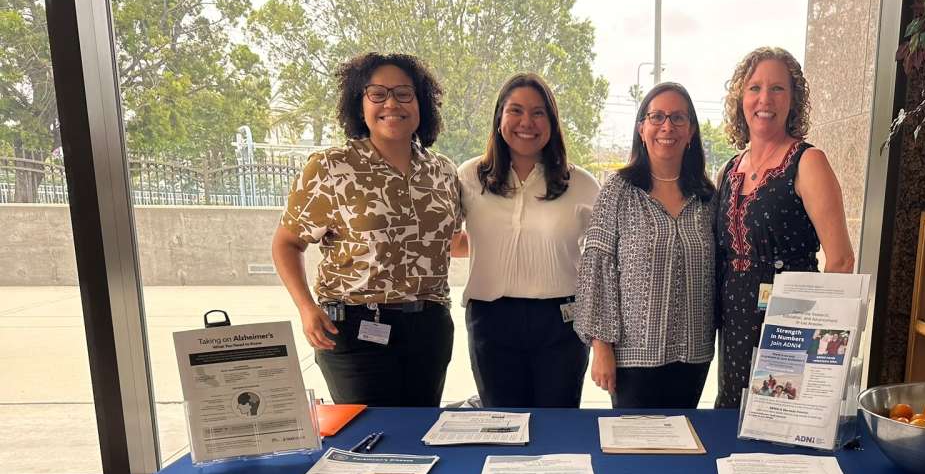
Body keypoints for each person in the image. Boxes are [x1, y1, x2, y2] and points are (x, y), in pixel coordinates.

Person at [272, 53, 459, 407]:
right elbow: (287, 243)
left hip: (428, 330)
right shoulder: (331, 168)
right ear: (359, 105)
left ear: (422, 104)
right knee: (369, 441)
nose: (391, 103)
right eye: (377, 94)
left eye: (404, 93)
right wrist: (306, 307)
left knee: (421, 436)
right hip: (354, 330)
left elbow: (450, 242)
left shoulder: (442, 172)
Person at [713, 47, 857, 409]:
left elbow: (840, 260)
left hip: (789, 323)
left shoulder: (808, 162)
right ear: (740, 99)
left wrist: (820, 345)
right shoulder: (731, 170)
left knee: (779, 419)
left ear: (793, 100)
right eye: (754, 88)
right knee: (733, 418)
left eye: (777, 89)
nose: (765, 99)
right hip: (735, 323)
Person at [456, 74, 599, 407]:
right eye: (515, 111)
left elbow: (604, 259)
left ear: (552, 122)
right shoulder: (468, 176)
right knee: (502, 425)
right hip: (490, 319)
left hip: (561, 322)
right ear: (499, 118)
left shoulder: (581, 184)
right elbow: (448, 239)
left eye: (538, 113)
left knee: (557, 427)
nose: (527, 123)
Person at [575, 83, 716, 409]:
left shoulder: (706, 197)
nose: (667, 126)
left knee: (685, 442)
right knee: (633, 448)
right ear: (642, 128)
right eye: (657, 117)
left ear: (691, 130)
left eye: (678, 117)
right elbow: (597, 269)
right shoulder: (619, 190)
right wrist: (601, 347)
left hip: (694, 355)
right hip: (632, 359)